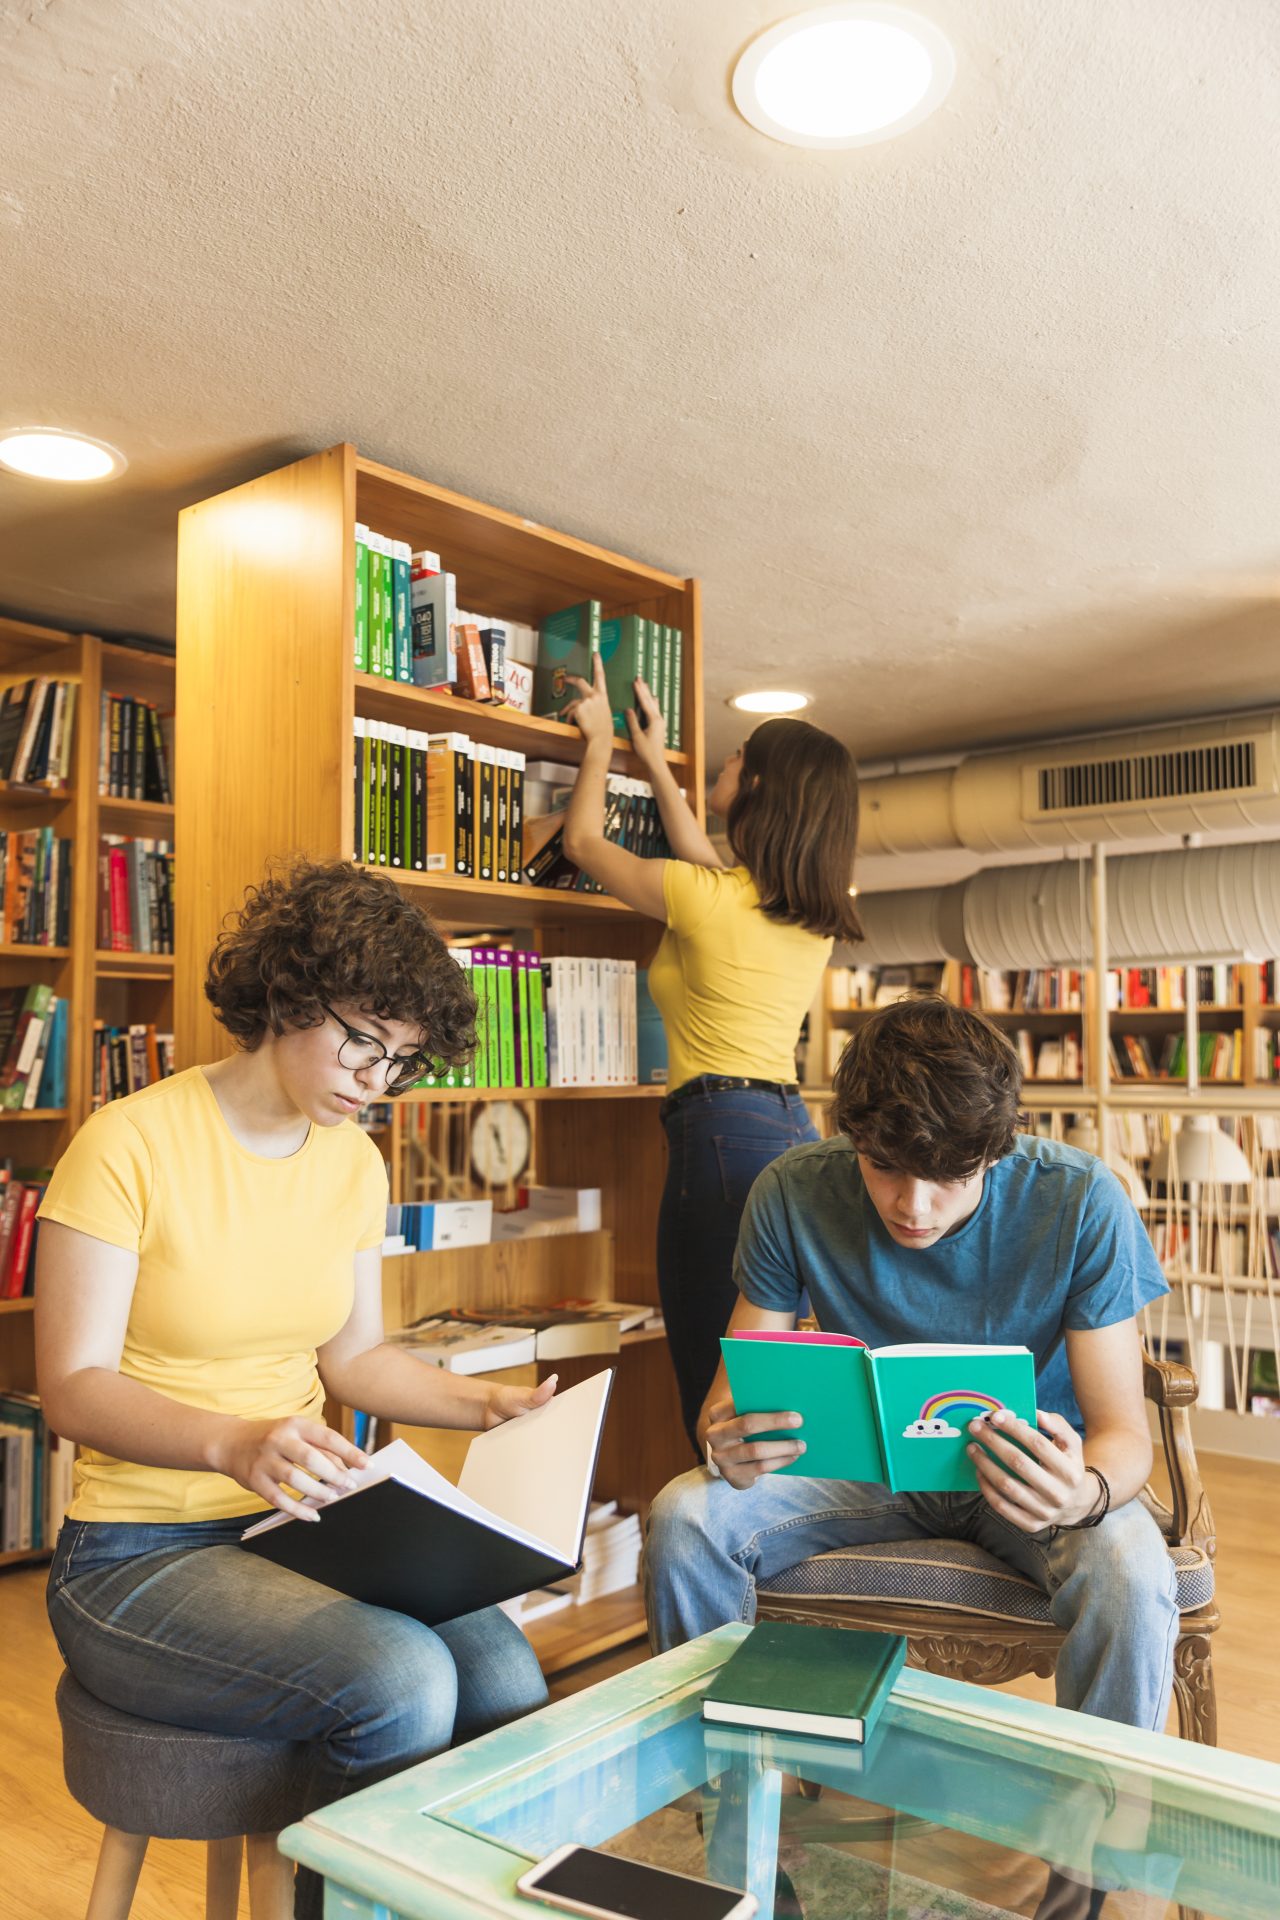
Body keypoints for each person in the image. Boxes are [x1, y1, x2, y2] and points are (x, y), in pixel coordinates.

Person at [36, 859, 552, 1920]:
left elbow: (354, 1361)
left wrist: (488, 1406)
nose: (373, 1078)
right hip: (135, 1552)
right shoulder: (127, 1143)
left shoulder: (350, 1163)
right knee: (400, 1680)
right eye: (360, 1039)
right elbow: (72, 1390)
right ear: (284, 994)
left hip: (302, 1527)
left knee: (506, 1680)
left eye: (400, 1060)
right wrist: (235, 1442)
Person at [644, 994, 1179, 1743]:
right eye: (885, 1168)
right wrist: (725, 1437)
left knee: (1130, 1570)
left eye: (950, 1179)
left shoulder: (1081, 1199)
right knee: (683, 1515)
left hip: (1031, 1482)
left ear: (998, 1151)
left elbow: (1123, 1433)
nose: (915, 1207)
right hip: (861, 1473)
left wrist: (1083, 1494)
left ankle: (1101, 1856)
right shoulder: (792, 1190)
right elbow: (730, 1398)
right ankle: (731, 1800)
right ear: (850, 1132)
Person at [561, 654, 862, 1450]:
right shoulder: (806, 920)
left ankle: (726, 1560)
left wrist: (598, 743)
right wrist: (653, 758)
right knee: (765, 1368)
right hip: (790, 1129)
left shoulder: (706, 899)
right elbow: (704, 862)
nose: (724, 761)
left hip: (719, 1133)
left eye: (737, 758)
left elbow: (586, 842)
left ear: (758, 789)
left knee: (712, 1379)